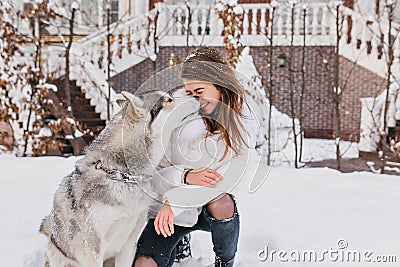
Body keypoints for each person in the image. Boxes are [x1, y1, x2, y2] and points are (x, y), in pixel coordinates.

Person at [133, 47, 259, 267]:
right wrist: (186, 176)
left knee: (222, 202)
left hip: (201, 207)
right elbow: (155, 176)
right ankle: (180, 246)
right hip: (167, 212)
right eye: (189, 93)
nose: (194, 100)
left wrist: (176, 202)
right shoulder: (174, 118)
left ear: (220, 85)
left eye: (199, 91)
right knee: (144, 264)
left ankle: (224, 262)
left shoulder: (241, 125)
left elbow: (226, 181)